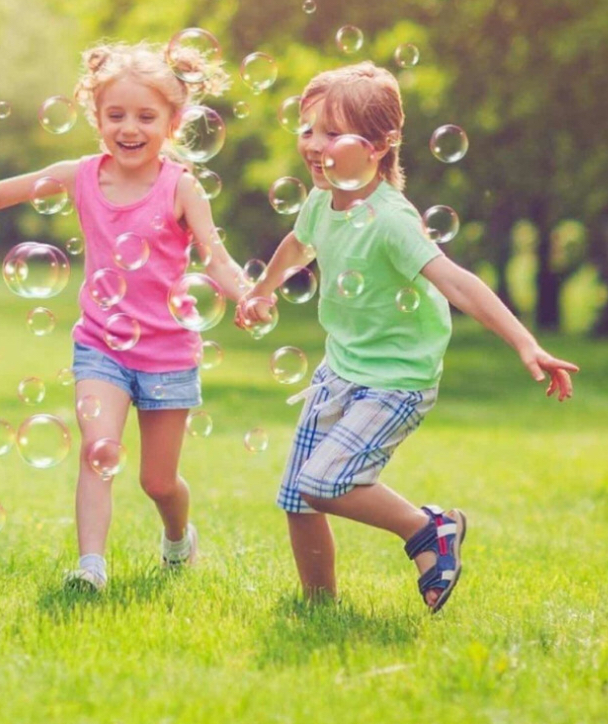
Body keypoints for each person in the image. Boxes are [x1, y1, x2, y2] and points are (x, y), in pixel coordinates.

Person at [236, 61, 578, 611]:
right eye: (308, 130)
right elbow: (298, 245)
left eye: (330, 132)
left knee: (324, 482)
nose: (312, 144)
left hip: (395, 381)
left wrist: (524, 341)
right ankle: (318, 608)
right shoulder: (322, 201)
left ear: (379, 145)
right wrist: (264, 288)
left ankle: (429, 530)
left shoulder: (391, 220)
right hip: (342, 369)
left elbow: (458, 284)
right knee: (298, 497)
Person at [0, 40, 246, 591]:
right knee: (98, 450)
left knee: (159, 482)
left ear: (173, 121)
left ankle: (178, 537)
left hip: (168, 355)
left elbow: (217, 257)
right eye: (115, 115)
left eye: (145, 116)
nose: (129, 128)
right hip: (102, 345)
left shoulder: (180, 186)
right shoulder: (81, 175)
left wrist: (247, 294)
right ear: (97, 117)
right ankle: (92, 567)